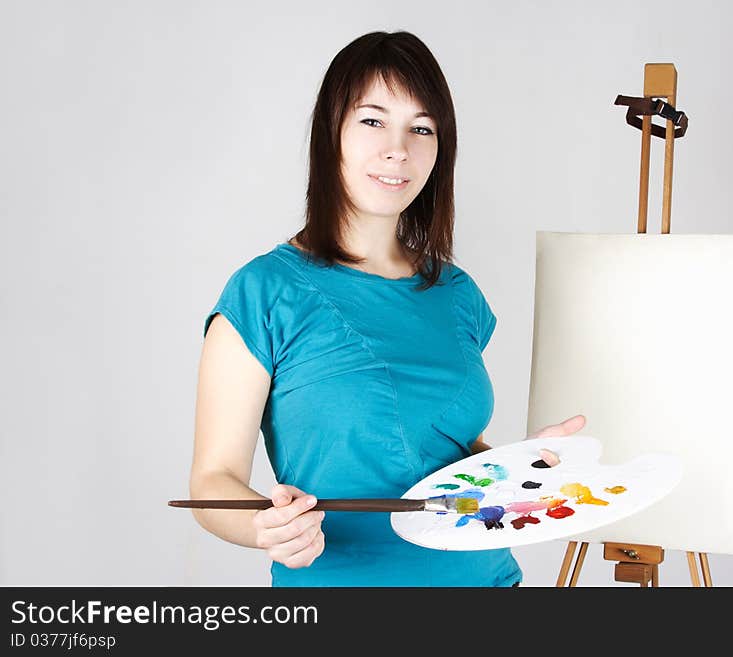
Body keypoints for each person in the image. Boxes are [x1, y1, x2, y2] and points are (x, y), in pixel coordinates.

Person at [189, 30, 586, 586]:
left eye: (421, 129)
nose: (398, 148)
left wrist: (523, 469)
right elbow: (213, 479)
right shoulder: (264, 292)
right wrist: (265, 525)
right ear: (332, 133)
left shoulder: (458, 294)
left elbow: (448, 449)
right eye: (373, 120)